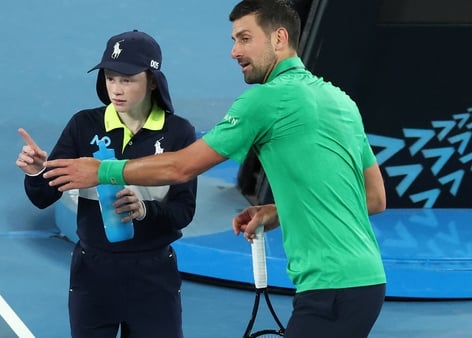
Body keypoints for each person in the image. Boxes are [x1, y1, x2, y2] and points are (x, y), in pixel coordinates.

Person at [41, 1, 388, 337]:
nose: (234, 51)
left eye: (245, 38)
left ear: (279, 38)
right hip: (366, 280)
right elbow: (373, 198)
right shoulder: (341, 100)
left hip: (330, 288)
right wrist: (279, 211)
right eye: (234, 40)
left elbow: (182, 167)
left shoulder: (265, 100)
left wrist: (102, 172)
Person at [15, 30, 197, 338]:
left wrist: (144, 211)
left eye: (127, 79)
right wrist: (36, 171)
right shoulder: (83, 126)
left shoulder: (178, 133)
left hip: (154, 277)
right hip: (93, 275)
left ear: (152, 80)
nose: (117, 88)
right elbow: (43, 196)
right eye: (111, 78)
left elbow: (183, 212)